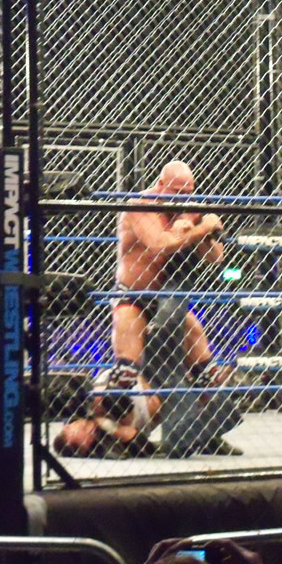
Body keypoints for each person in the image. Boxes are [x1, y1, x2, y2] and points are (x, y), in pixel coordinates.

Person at [101, 160, 242, 456]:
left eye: (187, 193)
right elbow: (159, 244)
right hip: (133, 296)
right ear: (161, 184)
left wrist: (204, 229)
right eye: (176, 192)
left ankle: (208, 434)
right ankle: (115, 438)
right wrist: (199, 229)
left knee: (204, 365)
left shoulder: (191, 209)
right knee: (126, 371)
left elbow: (216, 257)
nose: (181, 199)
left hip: (167, 300)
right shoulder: (140, 207)